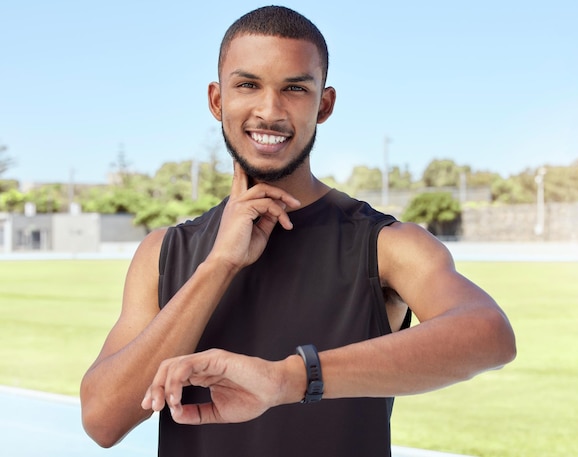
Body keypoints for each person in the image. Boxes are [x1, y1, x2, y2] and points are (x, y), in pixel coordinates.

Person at [80, 6, 516, 457]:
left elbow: (489, 334)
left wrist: (288, 379)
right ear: (217, 100)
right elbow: (102, 420)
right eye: (248, 85)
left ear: (323, 105)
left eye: (294, 89)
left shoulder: (385, 244)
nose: (269, 111)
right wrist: (218, 266)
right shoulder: (164, 252)